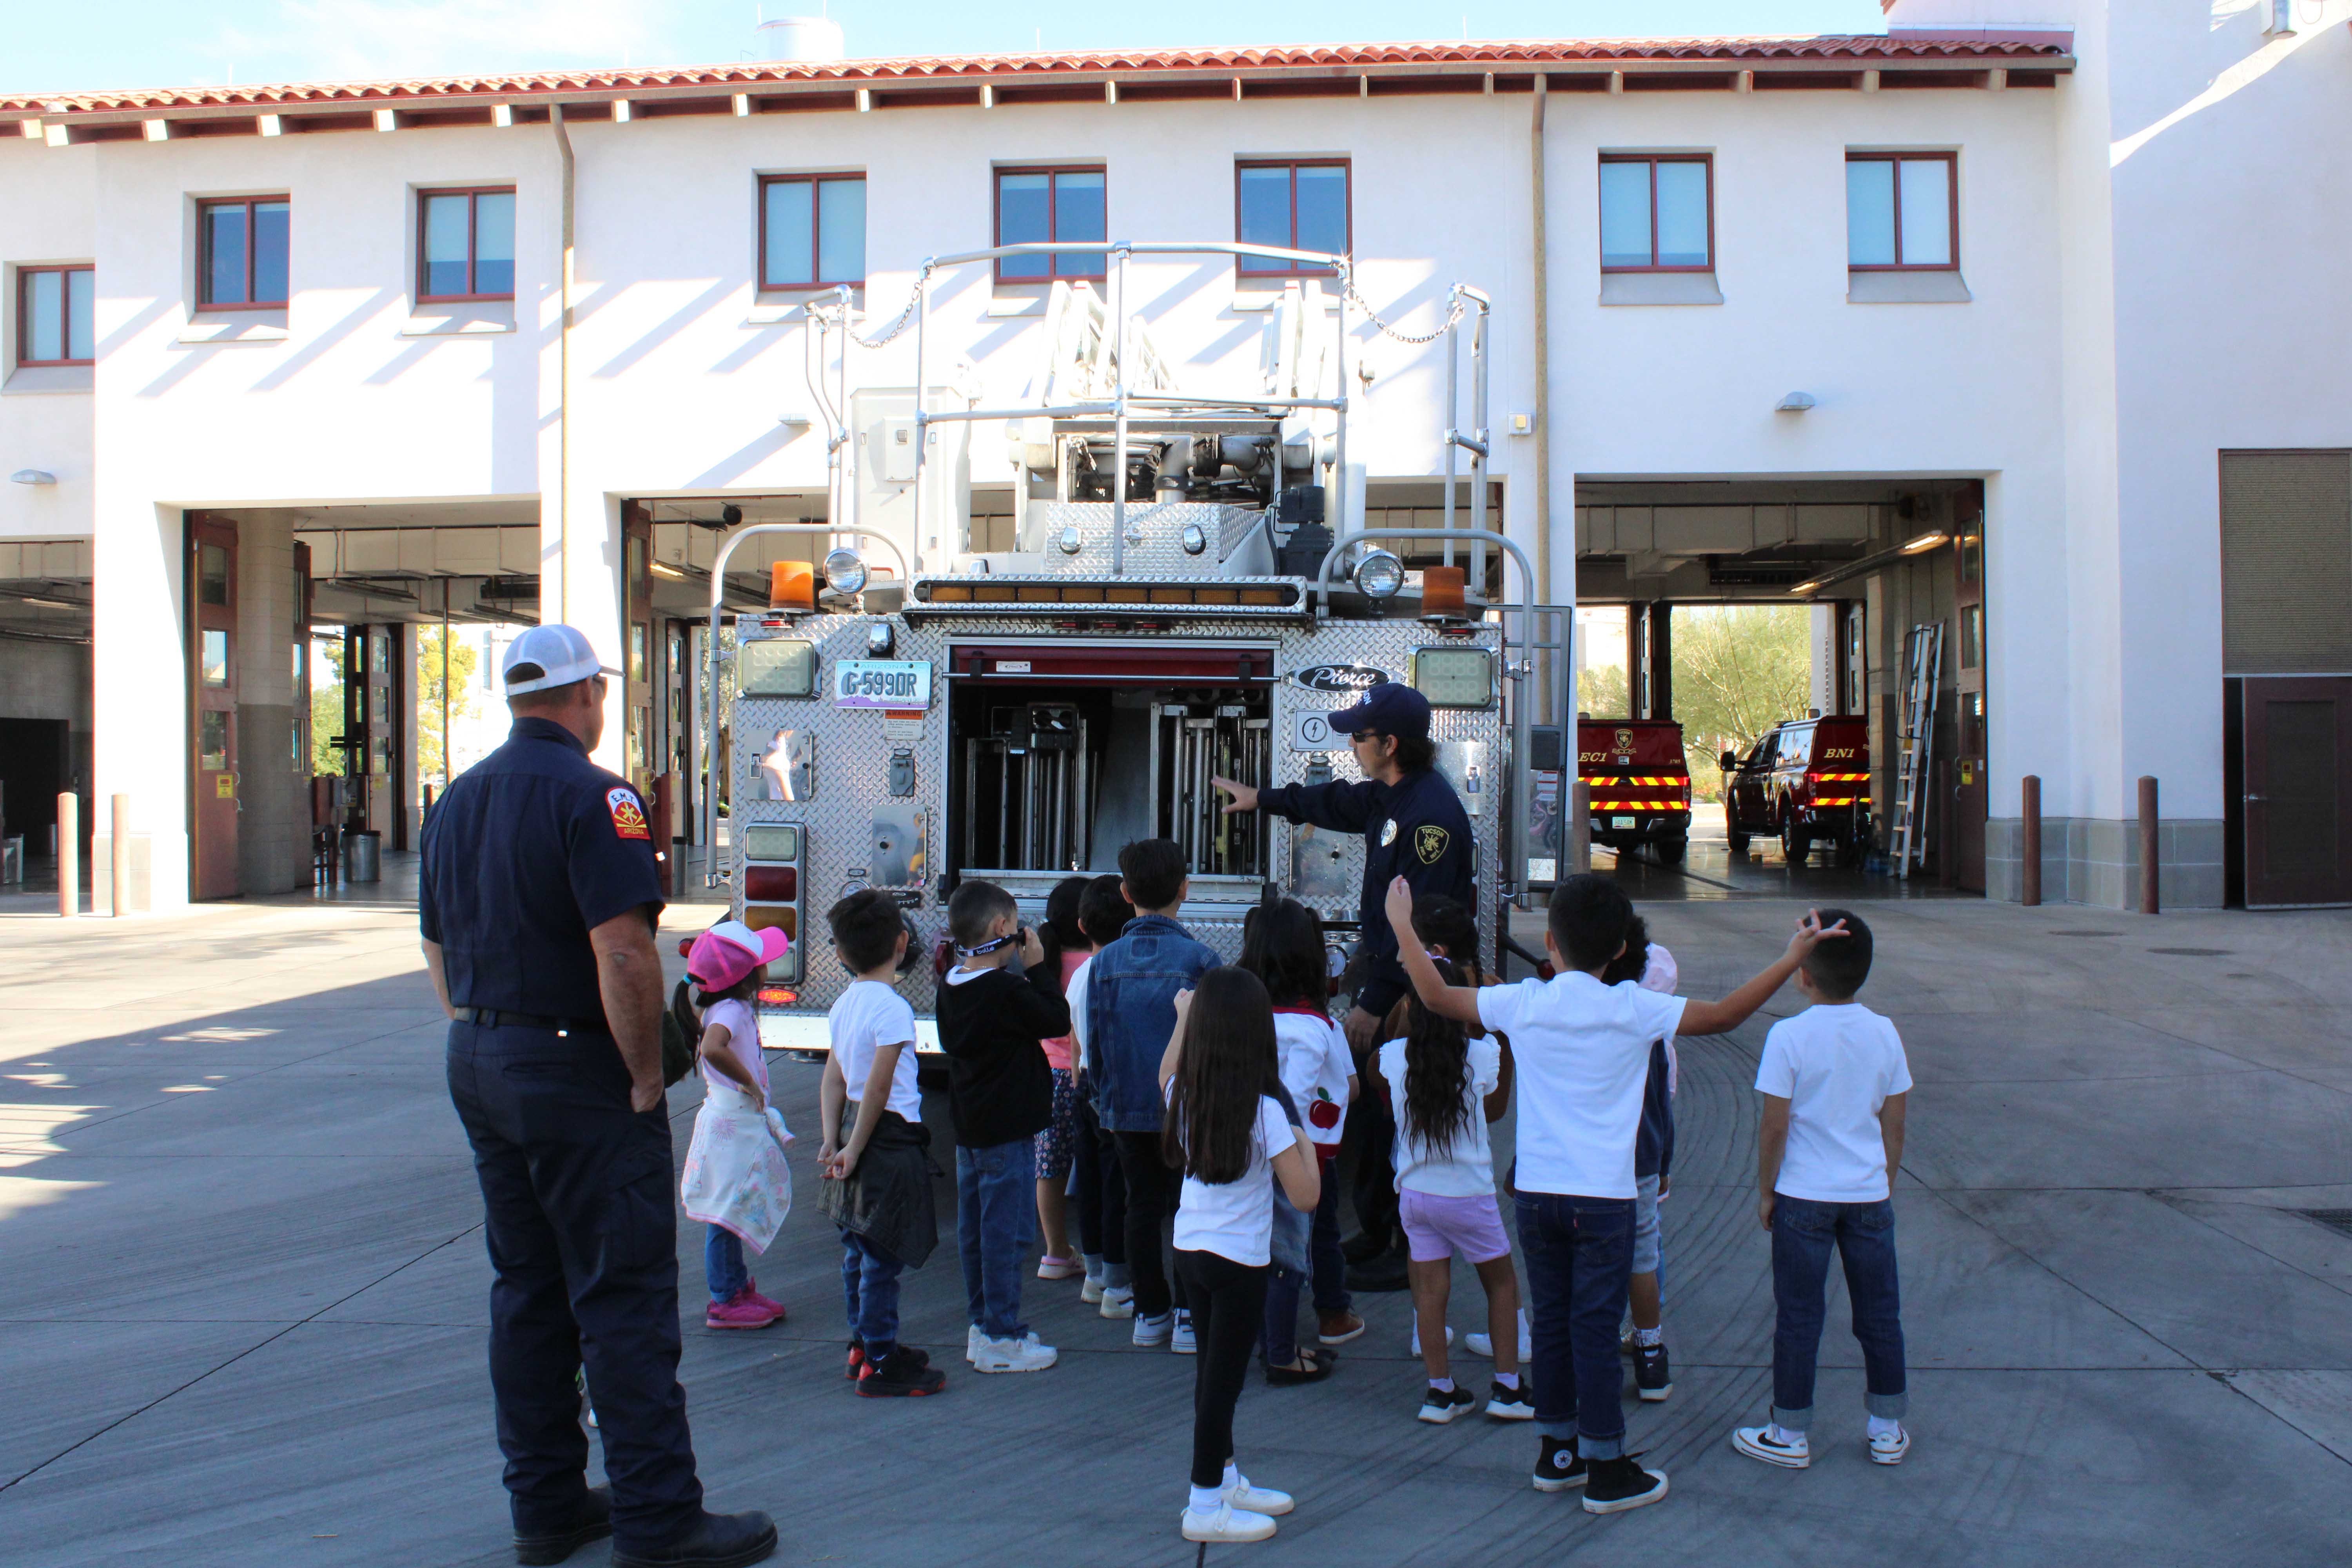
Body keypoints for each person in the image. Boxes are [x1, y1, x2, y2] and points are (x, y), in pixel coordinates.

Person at [421, 622, 774, 1568]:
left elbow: (437, 952)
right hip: (577, 1070)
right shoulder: (599, 797)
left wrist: (487, 1031)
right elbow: (621, 949)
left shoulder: (455, 800)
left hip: (482, 1055)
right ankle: (660, 1520)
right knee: (621, 1297)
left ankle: (544, 1505)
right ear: (587, 696)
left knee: (527, 1290)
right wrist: (647, 1074)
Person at [1385, 872, 1846, 1518]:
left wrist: (1402, 923)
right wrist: (1791, 958)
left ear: (1550, 943)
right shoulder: (1635, 1010)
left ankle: (1558, 1454)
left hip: (1537, 1197)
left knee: (1552, 1322)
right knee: (1596, 1330)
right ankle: (1607, 1467)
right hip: (1604, 1202)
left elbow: (1435, 997)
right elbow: (1728, 1015)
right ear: (1621, 953)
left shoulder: (1524, 1002)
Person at [1213, 681, 1474, 1292]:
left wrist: (1377, 1002)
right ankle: (1380, 1231)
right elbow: (1335, 804)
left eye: (1358, 736)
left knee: (1403, 1114)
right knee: (1383, 1117)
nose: (1351, 744)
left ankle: (1405, 1246)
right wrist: (1264, 800)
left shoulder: (1428, 818)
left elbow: (1422, 927)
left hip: (1417, 993)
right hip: (1394, 978)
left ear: (1390, 743)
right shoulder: (1393, 796)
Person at [1732, 909, 1913, 1470]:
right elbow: (1895, 1120)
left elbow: (1775, 1126)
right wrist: (1883, 1180)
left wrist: (1768, 1191)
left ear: (1802, 973)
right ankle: (1887, 1427)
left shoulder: (1788, 1035)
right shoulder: (1884, 1031)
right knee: (1880, 1315)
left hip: (1804, 1198)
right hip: (1867, 1196)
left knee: (1800, 1315)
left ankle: (1789, 1432)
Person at [1160, 967, 1322, 1545]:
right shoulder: (1266, 1111)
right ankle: (1204, 1503)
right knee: (1221, 1387)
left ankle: (1225, 1478)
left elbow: (1166, 1071)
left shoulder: (1184, 1093)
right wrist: (1304, 1140)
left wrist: (1182, 1019)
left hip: (1191, 1253)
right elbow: (1305, 1196)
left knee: (1212, 1373)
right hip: (1241, 1265)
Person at [1363, 953, 1528, 1424]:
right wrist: (1500, 1035)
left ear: (1414, 1004)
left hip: (1415, 1196)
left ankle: (1440, 1392)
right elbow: (1495, 1109)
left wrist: (1400, 1017)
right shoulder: (1481, 1054)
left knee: (1431, 1294)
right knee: (1501, 1284)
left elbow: (1376, 1070)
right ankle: (1509, 1388)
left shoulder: (1393, 1058)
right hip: (1469, 1196)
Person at [1085, 839, 1220, 1350]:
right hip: (1186, 1110)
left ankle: (1150, 1312)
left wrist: (1104, 1100)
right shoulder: (1200, 959)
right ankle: (1189, 1314)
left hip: (1125, 1108)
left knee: (1138, 1207)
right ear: (1185, 890)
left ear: (1125, 893)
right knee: (1191, 1207)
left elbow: (1096, 1041)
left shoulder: (1105, 962)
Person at [935, 879, 1069, 1374]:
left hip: (971, 1129)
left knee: (976, 1232)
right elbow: (1056, 1019)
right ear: (1001, 928)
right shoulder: (1008, 989)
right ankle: (1002, 1335)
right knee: (1008, 1234)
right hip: (1008, 1131)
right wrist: (1037, 969)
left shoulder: (952, 984)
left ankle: (983, 1324)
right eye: (1015, 927)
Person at [817, 888, 945, 1398]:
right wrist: (858, 1146)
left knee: (857, 1246)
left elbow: (835, 1077)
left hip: (852, 1128)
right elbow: (879, 1085)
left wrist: (834, 1140)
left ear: (842, 954)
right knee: (883, 1255)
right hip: (887, 1136)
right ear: (901, 942)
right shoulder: (891, 1008)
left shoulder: (844, 1004)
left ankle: (861, 1344)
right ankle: (882, 1357)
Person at [1238, 894, 1362, 1381]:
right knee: (1311, 1240)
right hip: (1306, 1158)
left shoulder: (1243, 1016)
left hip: (1245, 1152)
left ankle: (1263, 1334)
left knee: (1258, 1243)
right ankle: (1325, 1319)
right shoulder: (1321, 1026)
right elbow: (1341, 1087)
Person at [678, 921, 793, 1332]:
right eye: (761, 961)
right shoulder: (727, 1010)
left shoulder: (728, 1006)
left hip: (734, 1121)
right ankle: (724, 1298)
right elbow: (712, 1047)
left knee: (732, 1204)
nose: (768, 966)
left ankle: (736, 1287)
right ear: (746, 974)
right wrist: (748, 1081)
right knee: (725, 1212)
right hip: (730, 1122)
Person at [1600, 916, 1679, 1403]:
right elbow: (1659, 1104)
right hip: (1641, 1158)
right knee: (1643, 1256)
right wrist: (1663, 1158)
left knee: (1591, 1257)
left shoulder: (1570, 1017)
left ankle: (1593, 1347)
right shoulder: (1648, 1020)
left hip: (1589, 1164)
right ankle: (1651, 1356)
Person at [1064, 874, 1134, 1314]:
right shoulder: (1121, 970)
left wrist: (1075, 1083)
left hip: (1084, 1083)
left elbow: (1074, 1040)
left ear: (1082, 926)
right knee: (1117, 1187)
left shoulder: (1077, 977)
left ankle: (1093, 1274)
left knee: (1089, 1184)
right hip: (1115, 1085)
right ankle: (1118, 1285)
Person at [1031, 875, 1093, 1283]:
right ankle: (1097, 1254)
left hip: (1044, 1077)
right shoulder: (1095, 964)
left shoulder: (1041, 965)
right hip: (1084, 1076)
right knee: (1093, 1166)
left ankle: (1055, 1251)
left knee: (1049, 1169)